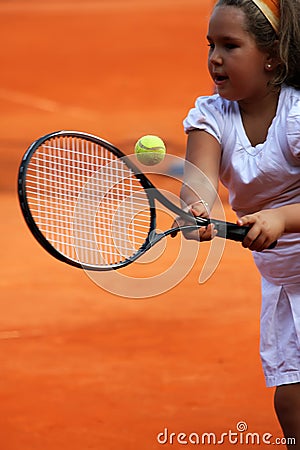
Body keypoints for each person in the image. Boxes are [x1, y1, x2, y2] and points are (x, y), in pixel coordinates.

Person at [172, 0, 300, 447]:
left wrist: (283, 217)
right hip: (284, 281)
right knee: (291, 405)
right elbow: (199, 185)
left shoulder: (297, 115)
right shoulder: (211, 117)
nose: (215, 58)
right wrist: (197, 213)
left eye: (230, 45)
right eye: (211, 45)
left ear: (273, 57)